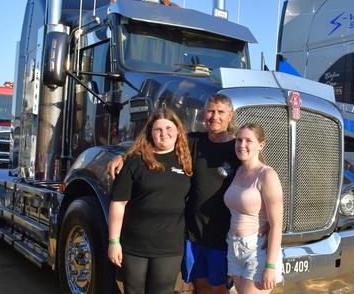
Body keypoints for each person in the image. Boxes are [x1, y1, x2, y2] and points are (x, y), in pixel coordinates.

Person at [108, 94, 240, 294]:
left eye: (221, 112)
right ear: (204, 114)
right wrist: (122, 156)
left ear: (230, 116)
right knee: (200, 285)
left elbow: (257, 173)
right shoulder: (194, 142)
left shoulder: (238, 148)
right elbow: (157, 141)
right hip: (193, 235)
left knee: (220, 288)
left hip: (222, 236)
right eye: (211, 111)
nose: (215, 116)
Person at [108, 107, 193, 294]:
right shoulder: (135, 162)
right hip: (134, 245)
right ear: (151, 133)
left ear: (178, 130)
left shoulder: (186, 159)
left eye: (169, 128)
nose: (164, 134)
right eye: (158, 129)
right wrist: (114, 242)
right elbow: (118, 203)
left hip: (169, 247)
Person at [224, 123, 283, 293]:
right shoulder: (238, 170)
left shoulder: (267, 175)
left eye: (248, 140)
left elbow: (276, 225)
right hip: (233, 248)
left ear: (261, 145)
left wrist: (270, 266)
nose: (242, 145)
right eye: (239, 140)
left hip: (257, 251)